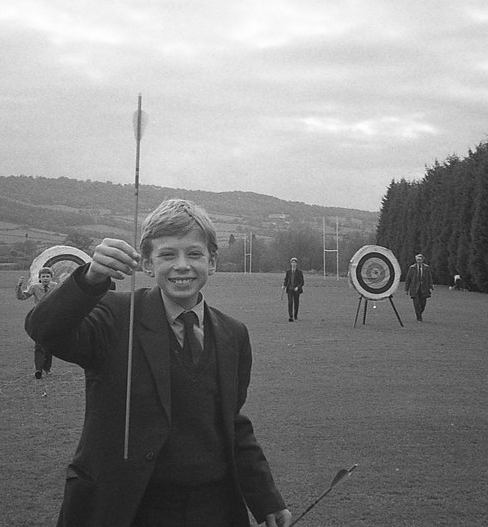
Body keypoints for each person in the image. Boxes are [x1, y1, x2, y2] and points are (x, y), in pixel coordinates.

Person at [25, 198, 292, 527]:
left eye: (194, 253)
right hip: (128, 509)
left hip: (213, 511)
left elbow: (231, 424)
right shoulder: (115, 316)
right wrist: (91, 279)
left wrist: (265, 497)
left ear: (213, 262)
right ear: (148, 264)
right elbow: (44, 330)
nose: (182, 265)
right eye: (168, 254)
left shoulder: (233, 334)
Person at [16, 266, 58, 379]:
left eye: (47, 276)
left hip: (52, 318)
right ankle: (38, 370)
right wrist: (19, 286)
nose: (45, 279)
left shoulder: (55, 287)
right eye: (43, 276)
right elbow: (22, 297)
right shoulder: (34, 287)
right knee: (39, 344)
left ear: (51, 278)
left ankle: (47, 368)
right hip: (39, 318)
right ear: (39, 278)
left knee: (49, 345)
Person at [405, 253, 433, 321]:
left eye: (420, 260)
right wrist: (406, 289)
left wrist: (431, 287)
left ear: (422, 260)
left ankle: (419, 313)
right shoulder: (412, 268)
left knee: (423, 304)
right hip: (415, 289)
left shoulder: (426, 268)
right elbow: (408, 279)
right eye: (417, 260)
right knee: (416, 304)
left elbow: (429, 278)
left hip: (424, 288)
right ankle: (419, 317)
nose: (418, 261)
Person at [281, 257, 305, 322]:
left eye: (294, 262)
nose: (293, 264)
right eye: (292, 262)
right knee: (290, 303)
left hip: (296, 290)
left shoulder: (299, 272)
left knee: (296, 303)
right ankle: (290, 316)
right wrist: (284, 285)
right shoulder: (288, 272)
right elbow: (286, 279)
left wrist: (298, 287)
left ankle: (295, 316)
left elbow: (302, 282)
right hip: (290, 289)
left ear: (296, 264)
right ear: (291, 263)